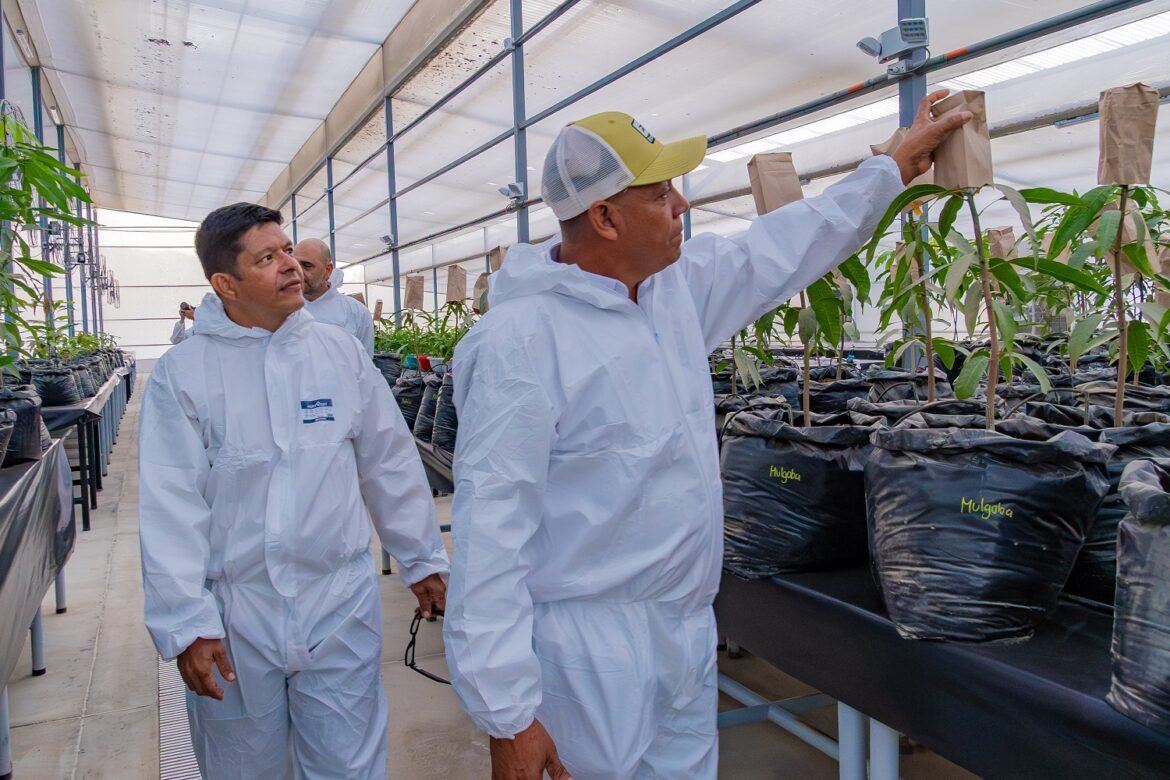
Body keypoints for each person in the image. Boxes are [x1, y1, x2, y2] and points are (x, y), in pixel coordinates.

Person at [443, 92, 971, 779]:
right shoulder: (522, 342)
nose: (681, 207)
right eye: (661, 193)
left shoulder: (673, 293)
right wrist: (508, 712)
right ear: (604, 217)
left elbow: (785, 244)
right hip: (585, 656)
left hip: (684, 631)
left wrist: (889, 169)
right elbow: (491, 532)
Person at [138, 203, 449, 779]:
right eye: (267, 258)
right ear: (224, 284)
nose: (290, 266)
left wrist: (421, 557)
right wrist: (187, 623)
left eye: (287, 252)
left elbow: (388, 462)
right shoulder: (186, 373)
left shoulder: (337, 353)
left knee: (349, 764)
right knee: (243, 767)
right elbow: (169, 506)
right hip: (238, 613)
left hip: (338, 602)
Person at [294, 237, 376, 356]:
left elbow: (365, 364)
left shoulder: (356, 312)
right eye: (295, 265)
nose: (298, 272)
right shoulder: (282, 311)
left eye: (307, 265)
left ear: (328, 270)